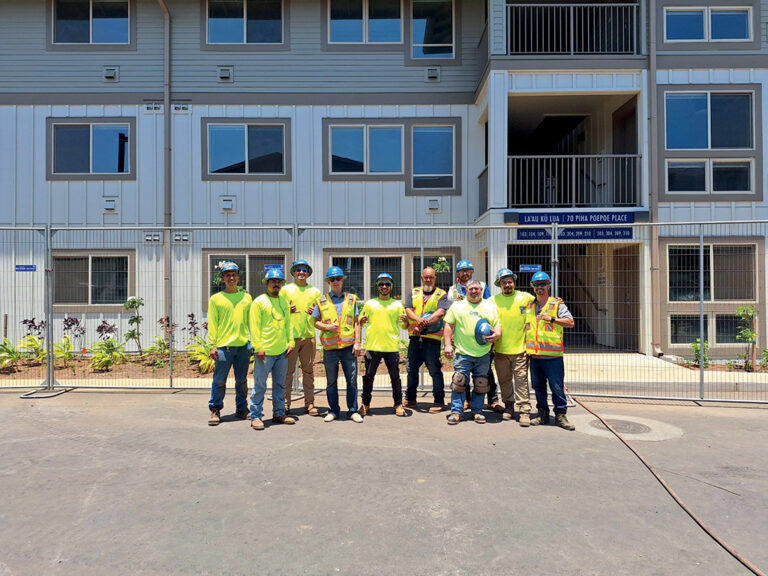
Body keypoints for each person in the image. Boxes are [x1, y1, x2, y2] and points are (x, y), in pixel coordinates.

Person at [446, 259, 503, 413]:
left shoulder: (482, 286)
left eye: (467, 270)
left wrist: (494, 333)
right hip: (462, 338)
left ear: (472, 272)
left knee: (484, 377)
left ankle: (492, 400)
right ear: (458, 273)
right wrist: (448, 341)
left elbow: (490, 306)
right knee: (460, 378)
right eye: (462, 271)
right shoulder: (453, 290)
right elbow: (450, 315)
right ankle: (464, 404)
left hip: (482, 341)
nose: (465, 273)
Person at [524, 271, 576, 431]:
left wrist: (552, 319)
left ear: (549, 285)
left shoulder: (557, 304)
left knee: (557, 387)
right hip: (535, 356)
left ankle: (561, 416)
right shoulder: (529, 306)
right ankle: (542, 414)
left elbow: (570, 322)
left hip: (553, 357)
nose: (540, 287)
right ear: (533, 287)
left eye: (543, 284)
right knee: (538, 387)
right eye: (536, 285)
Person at [311, 266, 363, 423]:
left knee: (352, 381)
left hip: (348, 348)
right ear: (328, 282)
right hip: (330, 349)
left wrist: (357, 343)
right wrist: (327, 327)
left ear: (343, 280)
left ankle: (352, 410)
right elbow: (315, 322)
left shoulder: (351, 299)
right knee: (331, 382)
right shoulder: (321, 301)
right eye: (332, 279)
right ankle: (333, 410)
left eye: (338, 279)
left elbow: (356, 322)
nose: (335, 282)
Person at [248, 268, 296, 430]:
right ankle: (255, 416)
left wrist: (290, 343)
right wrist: (258, 346)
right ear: (267, 283)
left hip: (282, 352)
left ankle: (279, 414)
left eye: (279, 281)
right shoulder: (259, 302)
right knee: (260, 386)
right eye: (273, 281)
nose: (276, 284)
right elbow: (254, 327)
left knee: (280, 385)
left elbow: (288, 324)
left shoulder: (283, 301)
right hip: (265, 353)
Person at [206, 261, 252, 426]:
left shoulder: (246, 298)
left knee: (242, 381)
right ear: (223, 278)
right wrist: (212, 346)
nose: (231, 277)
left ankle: (242, 409)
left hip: (243, 347)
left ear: (238, 278)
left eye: (233, 275)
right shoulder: (216, 299)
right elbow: (213, 324)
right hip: (223, 348)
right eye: (227, 275)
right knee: (219, 381)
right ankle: (215, 409)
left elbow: (251, 322)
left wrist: (253, 342)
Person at [358, 273, 409, 417]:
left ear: (391, 286)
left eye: (387, 284)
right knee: (368, 377)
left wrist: (405, 321)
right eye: (381, 284)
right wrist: (362, 321)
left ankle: (398, 404)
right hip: (373, 347)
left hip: (391, 347)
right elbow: (361, 322)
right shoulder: (370, 304)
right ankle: (365, 404)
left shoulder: (397, 305)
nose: (384, 286)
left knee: (395, 377)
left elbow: (404, 326)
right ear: (377, 286)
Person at [492, 268, 535, 427]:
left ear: (514, 283)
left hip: (520, 350)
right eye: (504, 283)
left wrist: (555, 302)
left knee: (521, 380)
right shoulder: (493, 301)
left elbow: (541, 302)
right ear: (499, 285)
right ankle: (509, 407)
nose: (507, 285)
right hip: (500, 350)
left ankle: (524, 410)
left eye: (510, 282)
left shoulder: (525, 298)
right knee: (504, 380)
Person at [403, 266, 449, 413]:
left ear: (435, 278)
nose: (428, 279)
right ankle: (410, 398)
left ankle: (438, 401)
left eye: (431, 277)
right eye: (426, 277)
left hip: (432, 341)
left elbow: (440, 313)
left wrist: (422, 325)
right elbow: (408, 309)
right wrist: (418, 320)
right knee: (411, 370)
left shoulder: (442, 294)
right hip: (415, 340)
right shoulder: (413, 292)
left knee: (435, 371)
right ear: (422, 278)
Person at [281, 259, 322, 416]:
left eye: (304, 270)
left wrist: (316, 311)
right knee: (288, 373)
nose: (301, 273)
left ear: (309, 273)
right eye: (298, 270)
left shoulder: (315, 292)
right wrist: (286, 309)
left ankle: (309, 404)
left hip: (309, 336)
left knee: (308, 372)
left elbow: (322, 312)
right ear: (293, 272)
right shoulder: (286, 290)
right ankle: (285, 404)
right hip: (290, 338)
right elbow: (277, 310)